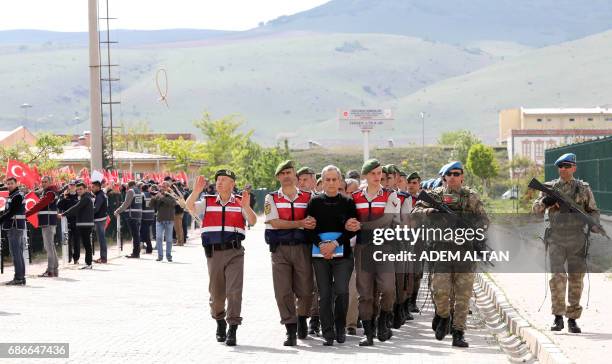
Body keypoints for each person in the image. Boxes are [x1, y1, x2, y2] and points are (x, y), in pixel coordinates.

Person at [413, 161, 488, 348]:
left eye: (457, 173)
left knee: (463, 296)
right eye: (450, 174)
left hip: (464, 253)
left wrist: (471, 230)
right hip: (441, 251)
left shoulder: (470, 197)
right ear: (444, 177)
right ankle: (443, 315)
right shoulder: (434, 196)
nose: (453, 177)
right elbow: (415, 213)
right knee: (440, 291)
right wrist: (431, 211)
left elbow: (485, 221)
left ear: (462, 176)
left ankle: (458, 332)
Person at [532, 153, 603, 334]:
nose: (563, 169)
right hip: (556, 237)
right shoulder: (550, 187)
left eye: (567, 165)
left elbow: (593, 211)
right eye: (560, 166)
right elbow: (536, 211)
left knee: (576, 278)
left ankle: (572, 319)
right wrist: (545, 202)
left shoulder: (583, 188)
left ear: (574, 168)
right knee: (557, 277)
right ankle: (558, 317)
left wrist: (594, 224)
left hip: (577, 238)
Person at [186, 170, 257, 346]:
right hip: (214, 253)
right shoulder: (208, 201)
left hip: (235, 252)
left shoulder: (241, 202)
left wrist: (247, 207)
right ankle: (219, 321)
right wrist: (195, 191)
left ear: (232, 184)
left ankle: (233, 328)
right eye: (218, 179)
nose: (219, 182)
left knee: (234, 291)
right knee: (217, 295)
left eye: (224, 180)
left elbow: (253, 221)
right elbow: (190, 207)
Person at [306, 165, 358, 346]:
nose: (331, 183)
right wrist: (322, 246)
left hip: (343, 254)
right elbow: (309, 228)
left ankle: (340, 327)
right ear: (322, 181)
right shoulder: (314, 202)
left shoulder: (348, 202)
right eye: (327, 179)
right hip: (320, 254)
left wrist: (334, 245)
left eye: (334, 179)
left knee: (342, 291)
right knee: (325, 294)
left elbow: (352, 229)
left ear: (340, 181)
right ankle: (328, 333)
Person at [264, 160, 315, 346]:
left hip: (303, 248)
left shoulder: (309, 197)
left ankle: (302, 318)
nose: (286, 176)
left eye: (289, 172)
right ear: (278, 177)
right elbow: (274, 223)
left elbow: (315, 220)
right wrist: (300, 223)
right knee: (283, 291)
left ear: (295, 176)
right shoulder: (271, 198)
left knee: (306, 289)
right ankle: (290, 329)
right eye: (282, 173)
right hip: (280, 250)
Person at [351, 159, 399, 345]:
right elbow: (349, 220)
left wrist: (361, 225)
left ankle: (383, 321)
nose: (377, 177)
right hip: (363, 249)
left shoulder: (390, 195)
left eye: (379, 173)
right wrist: (349, 224)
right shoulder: (355, 197)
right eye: (373, 173)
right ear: (365, 175)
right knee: (365, 294)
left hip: (384, 247)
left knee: (388, 288)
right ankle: (369, 333)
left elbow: (386, 220)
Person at [296, 166, 321, 335]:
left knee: (317, 284)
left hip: (318, 246)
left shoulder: (321, 200)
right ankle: (300, 317)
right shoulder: (295, 200)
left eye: (305, 179)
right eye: (300, 180)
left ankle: (315, 319)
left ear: (313, 180)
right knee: (301, 285)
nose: (302, 183)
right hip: (300, 246)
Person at [26, 176, 60, 277]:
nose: (43, 183)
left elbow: (40, 204)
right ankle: (54, 269)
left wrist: (27, 213)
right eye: (42, 182)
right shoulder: (50, 191)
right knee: (51, 246)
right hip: (48, 221)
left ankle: (50, 270)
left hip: (48, 221)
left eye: (45, 182)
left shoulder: (50, 193)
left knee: (48, 246)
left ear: (50, 182)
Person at [60, 182, 95, 269]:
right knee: (87, 244)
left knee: (87, 244)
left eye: (81, 189)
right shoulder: (84, 197)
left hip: (85, 224)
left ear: (85, 189)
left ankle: (88, 263)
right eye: (78, 189)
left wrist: (64, 214)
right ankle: (88, 263)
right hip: (84, 224)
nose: (79, 191)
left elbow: (76, 207)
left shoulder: (86, 198)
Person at [0, 177, 27, 285]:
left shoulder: (17, 195)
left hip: (15, 226)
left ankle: (19, 277)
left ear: (17, 184)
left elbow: (11, 212)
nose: (9, 185)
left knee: (16, 252)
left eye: (11, 183)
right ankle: (20, 277)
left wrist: (0, 219)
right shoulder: (13, 195)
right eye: (8, 184)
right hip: (13, 226)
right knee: (17, 252)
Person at [114, 180, 143, 259]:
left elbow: (126, 204)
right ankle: (137, 252)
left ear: (128, 185)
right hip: (138, 215)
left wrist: (117, 211)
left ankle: (135, 253)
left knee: (135, 235)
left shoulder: (131, 191)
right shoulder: (139, 191)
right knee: (137, 234)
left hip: (132, 215)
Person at [150, 181, 177, 262]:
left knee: (169, 239)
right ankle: (160, 256)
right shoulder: (159, 195)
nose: (162, 188)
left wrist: (161, 197)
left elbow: (172, 203)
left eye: (164, 186)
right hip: (159, 220)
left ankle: (168, 255)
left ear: (168, 187)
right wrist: (154, 198)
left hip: (169, 220)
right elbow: (151, 205)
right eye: (161, 186)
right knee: (158, 238)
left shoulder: (172, 195)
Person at [57, 180, 79, 263]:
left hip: (77, 221)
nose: (72, 187)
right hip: (67, 221)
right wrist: (63, 197)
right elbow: (58, 205)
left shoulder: (79, 196)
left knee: (76, 241)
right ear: (68, 186)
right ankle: (69, 257)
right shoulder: (65, 196)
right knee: (68, 240)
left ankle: (76, 258)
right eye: (71, 185)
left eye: (74, 185)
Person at [92, 181, 109, 264]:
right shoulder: (101, 194)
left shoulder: (100, 196)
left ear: (98, 187)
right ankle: (103, 257)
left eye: (93, 187)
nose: (92, 188)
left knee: (101, 239)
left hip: (99, 219)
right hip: (102, 219)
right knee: (102, 239)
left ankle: (103, 258)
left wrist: (88, 212)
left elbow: (96, 208)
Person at [140, 183, 154, 254]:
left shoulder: (142, 195)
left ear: (141, 189)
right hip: (151, 216)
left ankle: (149, 248)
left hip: (144, 217)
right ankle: (146, 247)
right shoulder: (151, 195)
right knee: (146, 232)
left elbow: (140, 206)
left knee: (145, 233)